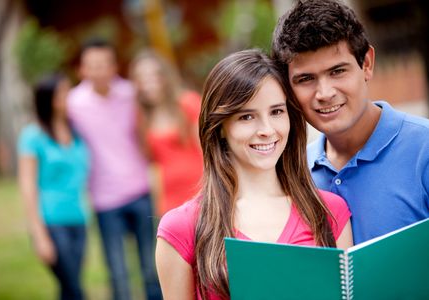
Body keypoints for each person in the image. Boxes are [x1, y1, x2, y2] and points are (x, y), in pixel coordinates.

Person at [155, 49, 353, 300]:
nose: (267, 130)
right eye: (247, 116)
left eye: (276, 112)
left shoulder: (330, 211)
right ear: (220, 128)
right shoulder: (182, 228)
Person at [271, 0, 429, 245]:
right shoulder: (294, 172)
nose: (324, 93)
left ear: (366, 64)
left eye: (337, 71)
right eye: (306, 79)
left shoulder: (424, 148)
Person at [67, 39, 161, 300]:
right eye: (92, 66)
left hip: (140, 190)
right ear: (82, 70)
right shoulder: (73, 103)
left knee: (150, 266)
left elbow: (147, 133)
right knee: (118, 272)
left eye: (104, 64)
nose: (99, 71)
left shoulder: (130, 94)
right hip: (104, 200)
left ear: (114, 66)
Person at [18, 74, 89, 300]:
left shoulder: (77, 131)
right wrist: (39, 235)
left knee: (69, 287)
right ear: (48, 99)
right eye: (62, 93)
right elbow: (28, 187)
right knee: (75, 290)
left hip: (78, 219)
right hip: (51, 222)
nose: (69, 97)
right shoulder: (32, 136)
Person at [129, 49, 203, 216]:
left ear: (164, 77)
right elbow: (153, 165)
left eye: (153, 76)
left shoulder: (188, 103)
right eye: (141, 78)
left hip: (200, 190)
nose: (148, 84)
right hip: (170, 199)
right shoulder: (142, 118)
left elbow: (207, 151)